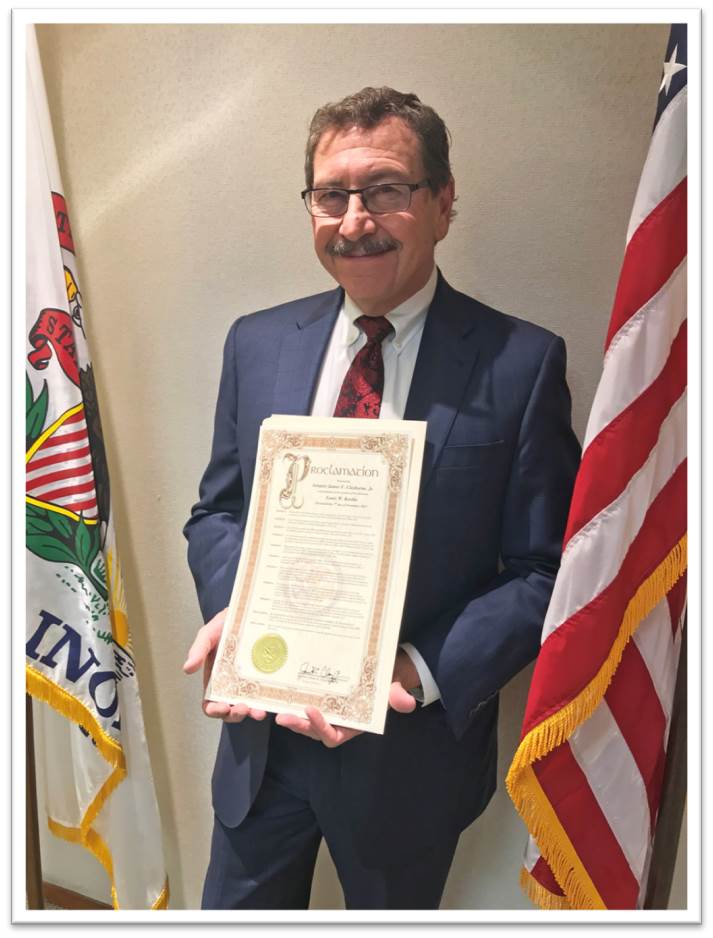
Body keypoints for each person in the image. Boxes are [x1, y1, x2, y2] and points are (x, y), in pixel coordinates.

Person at [183, 86, 581, 910]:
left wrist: (416, 668)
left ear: (442, 204)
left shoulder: (521, 364)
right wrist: (245, 613)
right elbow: (218, 512)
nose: (354, 220)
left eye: (387, 190)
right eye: (332, 195)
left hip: (406, 757)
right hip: (260, 747)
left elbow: (544, 569)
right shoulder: (255, 342)